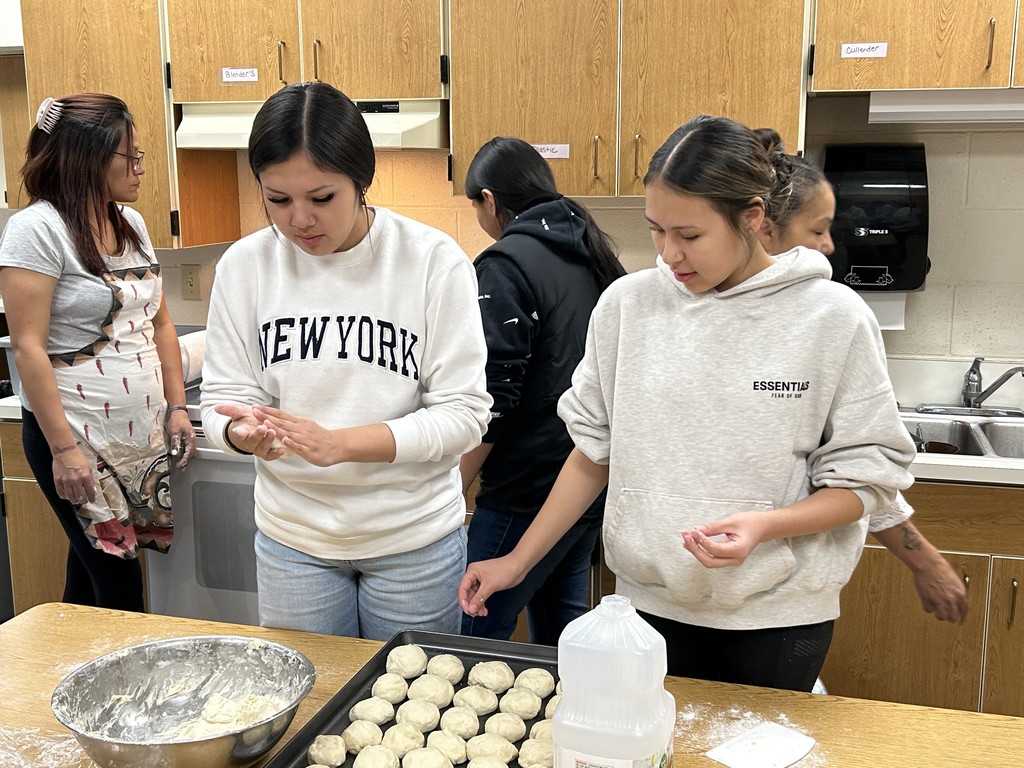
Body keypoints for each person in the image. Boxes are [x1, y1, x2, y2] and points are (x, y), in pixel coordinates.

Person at [460, 115, 917, 692]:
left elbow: (866, 484)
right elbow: (592, 453)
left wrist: (766, 526)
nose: (670, 253)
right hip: (645, 611)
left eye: (690, 235)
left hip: (776, 617)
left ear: (752, 217)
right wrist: (517, 562)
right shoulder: (628, 306)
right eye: (657, 231)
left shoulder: (832, 318)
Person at [200, 82, 491, 641]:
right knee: (312, 706)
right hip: (294, 541)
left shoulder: (431, 262)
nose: (300, 220)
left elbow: (464, 415)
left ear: (362, 182)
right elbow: (222, 400)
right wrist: (241, 433)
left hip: (413, 541)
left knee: (406, 709)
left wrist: (342, 444)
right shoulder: (245, 267)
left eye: (322, 197)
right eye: (278, 200)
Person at [753, 128, 968, 624]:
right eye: (818, 230)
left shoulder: (832, 318)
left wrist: (921, 557)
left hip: (786, 596)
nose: (829, 246)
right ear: (762, 227)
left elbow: (859, 470)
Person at [0, 93, 195, 612]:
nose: (141, 168)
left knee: (89, 581)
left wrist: (176, 407)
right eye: (129, 158)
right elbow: (28, 348)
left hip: (138, 438)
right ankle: (127, 693)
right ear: (85, 158)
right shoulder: (36, 230)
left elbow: (161, 322)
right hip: (78, 439)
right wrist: (64, 451)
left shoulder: (130, 222)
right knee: (118, 587)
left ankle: (68, 680)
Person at [459, 137, 625, 645]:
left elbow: (494, 400)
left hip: (524, 489)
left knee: (470, 635)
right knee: (563, 640)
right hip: (583, 483)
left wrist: (449, 491)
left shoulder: (505, 265)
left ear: (489, 200)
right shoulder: (590, 252)